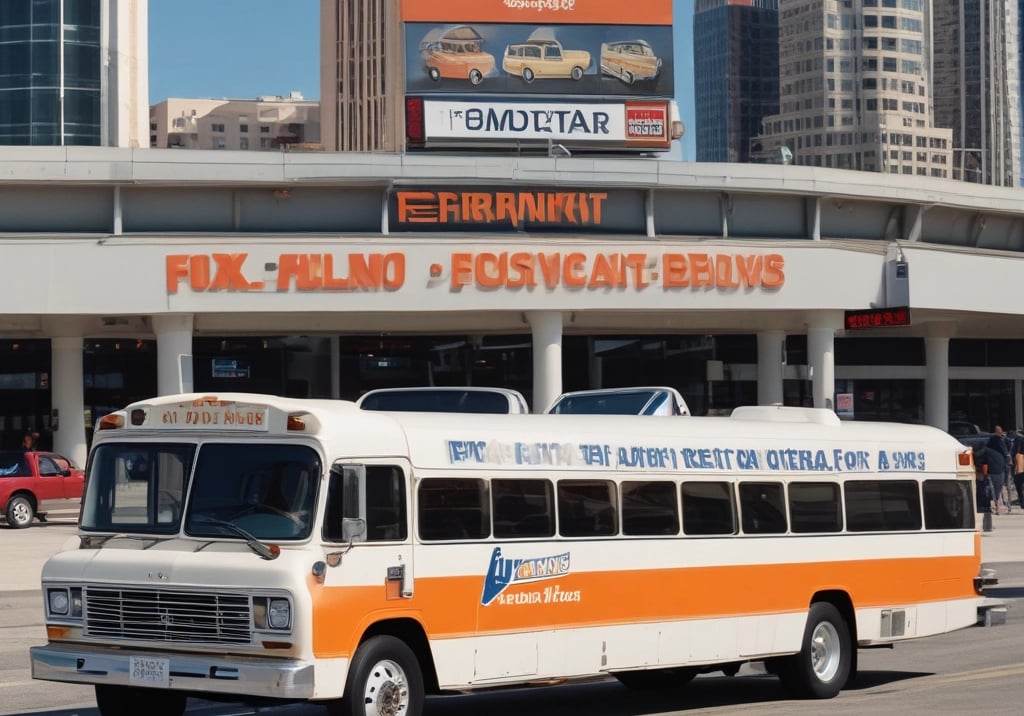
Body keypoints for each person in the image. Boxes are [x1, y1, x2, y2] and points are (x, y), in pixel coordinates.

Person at [985, 426, 1010, 514]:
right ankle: (997, 503)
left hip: (990, 468)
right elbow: (1006, 452)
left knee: (991, 487)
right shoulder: (1000, 441)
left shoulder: (989, 443)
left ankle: (994, 503)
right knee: (999, 486)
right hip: (999, 468)